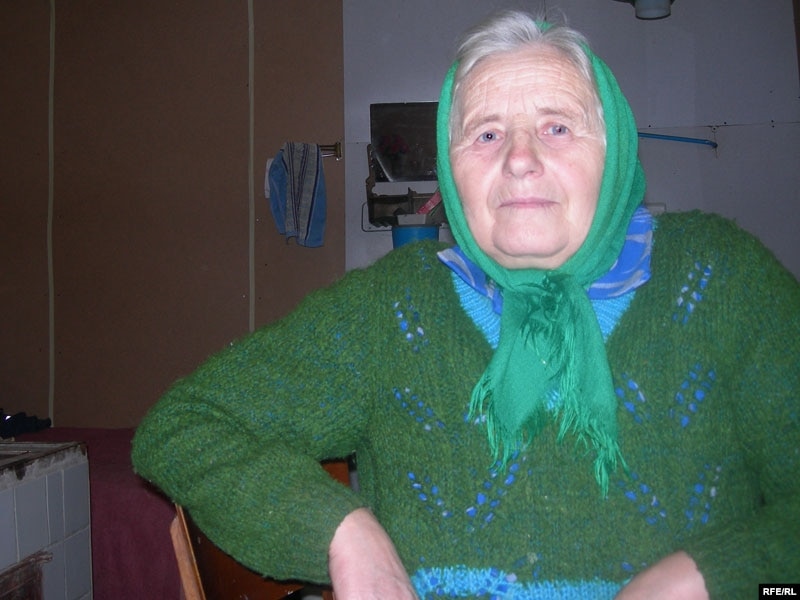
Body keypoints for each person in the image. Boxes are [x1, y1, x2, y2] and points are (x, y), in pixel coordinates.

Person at [132, 10, 800, 599]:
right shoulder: (393, 305)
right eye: (485, 134)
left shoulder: (721, 279)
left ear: (615, 149)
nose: (519, 159)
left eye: (557, 127)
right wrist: (342, 531)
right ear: (452, 173)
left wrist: (713, 578)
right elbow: (185, 425)